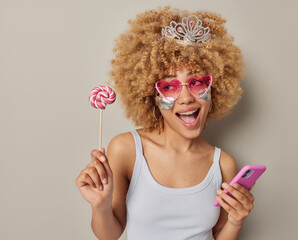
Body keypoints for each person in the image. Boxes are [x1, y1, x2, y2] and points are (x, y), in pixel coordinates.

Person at [75, 6, 256, 240]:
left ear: (215, 88)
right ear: (153, 97)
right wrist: (99, 205)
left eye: (197, 82)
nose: (187, 97)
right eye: (169, 87)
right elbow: (109, 235)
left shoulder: (224, 164)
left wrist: (235, 220)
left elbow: (220, 234)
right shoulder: (126, 149)